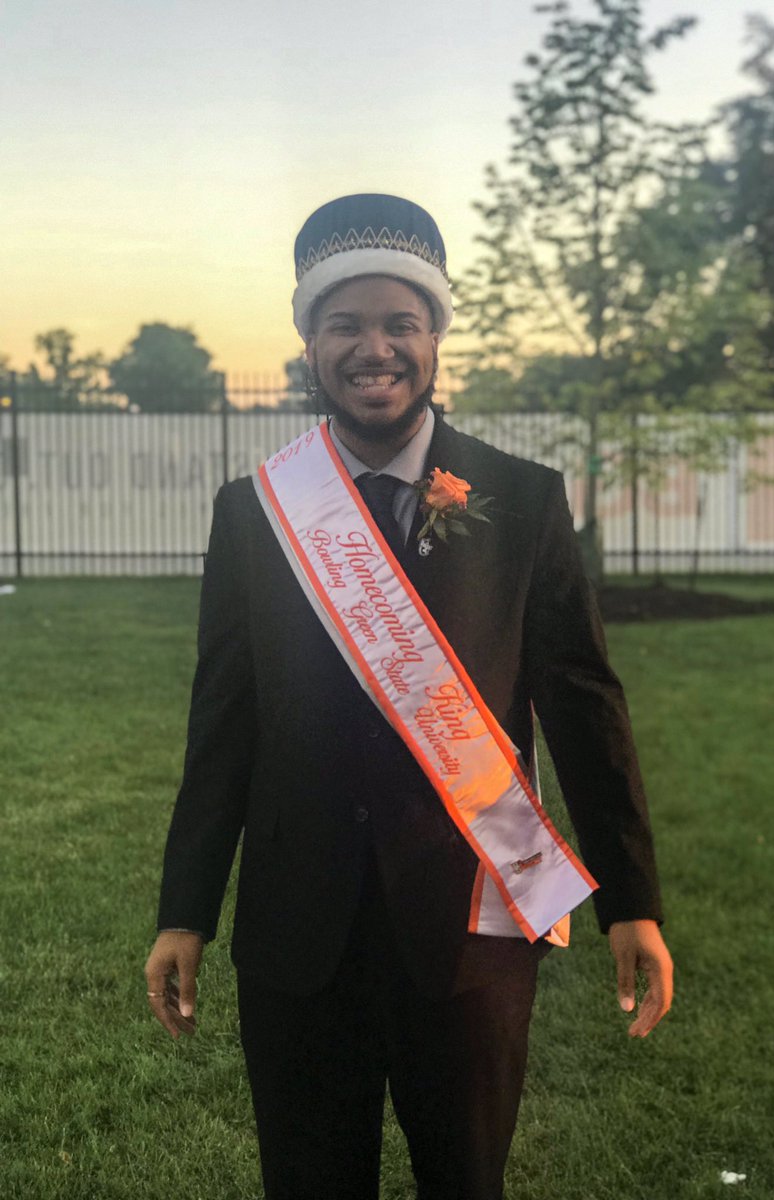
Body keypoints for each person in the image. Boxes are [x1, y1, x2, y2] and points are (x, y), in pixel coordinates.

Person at [144, 193, 673, 1200]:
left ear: (436, 338)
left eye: (401, 322)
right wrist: (186, 911)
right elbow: (225, 724)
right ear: (309, 339)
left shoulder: (523, 501)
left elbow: (582, 704)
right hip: (296, 933)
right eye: (344, 323)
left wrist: (632, 903)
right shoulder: (254, 513)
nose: (373, 347)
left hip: (470, 933)